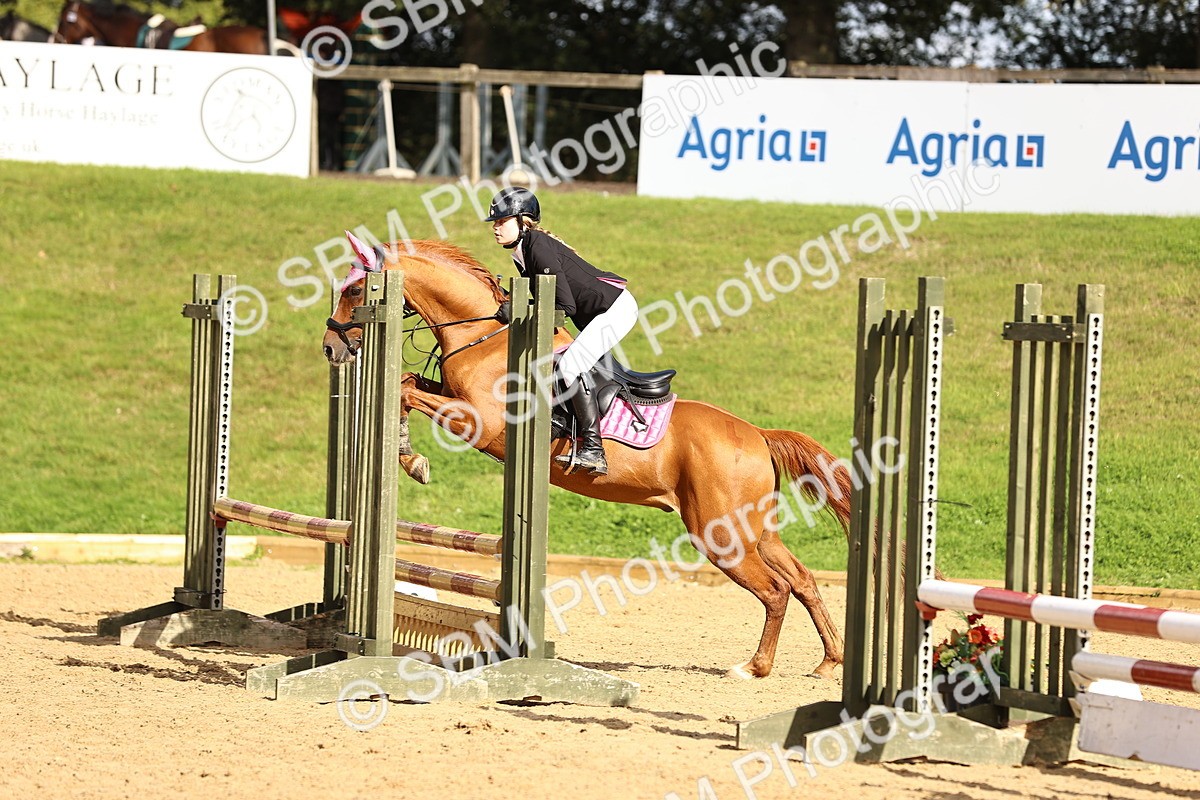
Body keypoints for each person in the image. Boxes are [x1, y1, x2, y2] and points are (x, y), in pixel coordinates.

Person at [485, 187, 638, 476]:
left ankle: (594, 449)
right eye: (495, 222)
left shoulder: (537, 246)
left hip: (615, 310)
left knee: (569, 364)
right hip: (601, 313)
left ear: (523, 221)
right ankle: (563, 422)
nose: (495, 228)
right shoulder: (524, 251)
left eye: (501, 221)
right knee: (559, 364)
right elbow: (546, 297)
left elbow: (562, 305)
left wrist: (520, 310)